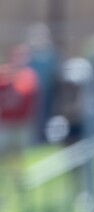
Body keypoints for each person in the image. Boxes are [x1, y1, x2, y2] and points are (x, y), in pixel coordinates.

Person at [0, 44, 39, 200]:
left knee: (17, 156)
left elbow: (29, 97)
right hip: (5, 123)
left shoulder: (29, 76)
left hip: (21, 124)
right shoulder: (4, 74)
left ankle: (18, 186)